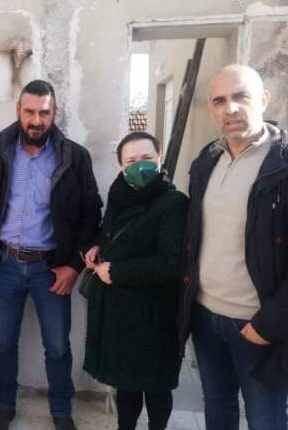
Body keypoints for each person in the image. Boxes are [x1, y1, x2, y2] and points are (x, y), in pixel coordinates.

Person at [178, 64, 288, 430]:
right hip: (206, 319)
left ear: (264, 100)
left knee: (264, 418)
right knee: (217, 408)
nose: (230, 108)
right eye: (219, 101)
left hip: (257, 325)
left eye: (240, 96)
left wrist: (270, 325)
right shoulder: (206, 162)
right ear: (211, 110)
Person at [0, 79, 102, 430]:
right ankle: (4, 406)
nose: (36, 120)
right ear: (18, 110)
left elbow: (90, 214)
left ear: (54, 113)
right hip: (4, 264)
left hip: (51, 268)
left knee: (58, 345)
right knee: (4, 342)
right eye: (30, 111)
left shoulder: (74, 156)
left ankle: (61, 411)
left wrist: (74, 266)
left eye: (44, 113)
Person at [82, 131, 188, 430]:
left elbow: (171, 262)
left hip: (154, 312)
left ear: (159, 159)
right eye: (131, 160)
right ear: (121, 165)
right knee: (126, 383)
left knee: (156, 385)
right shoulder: (119, 194)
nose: (139, 165)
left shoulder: (174, 203)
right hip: (120, 312)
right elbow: (110, 230)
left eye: (146, 158)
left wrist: (116, 272)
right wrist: (96, 245)